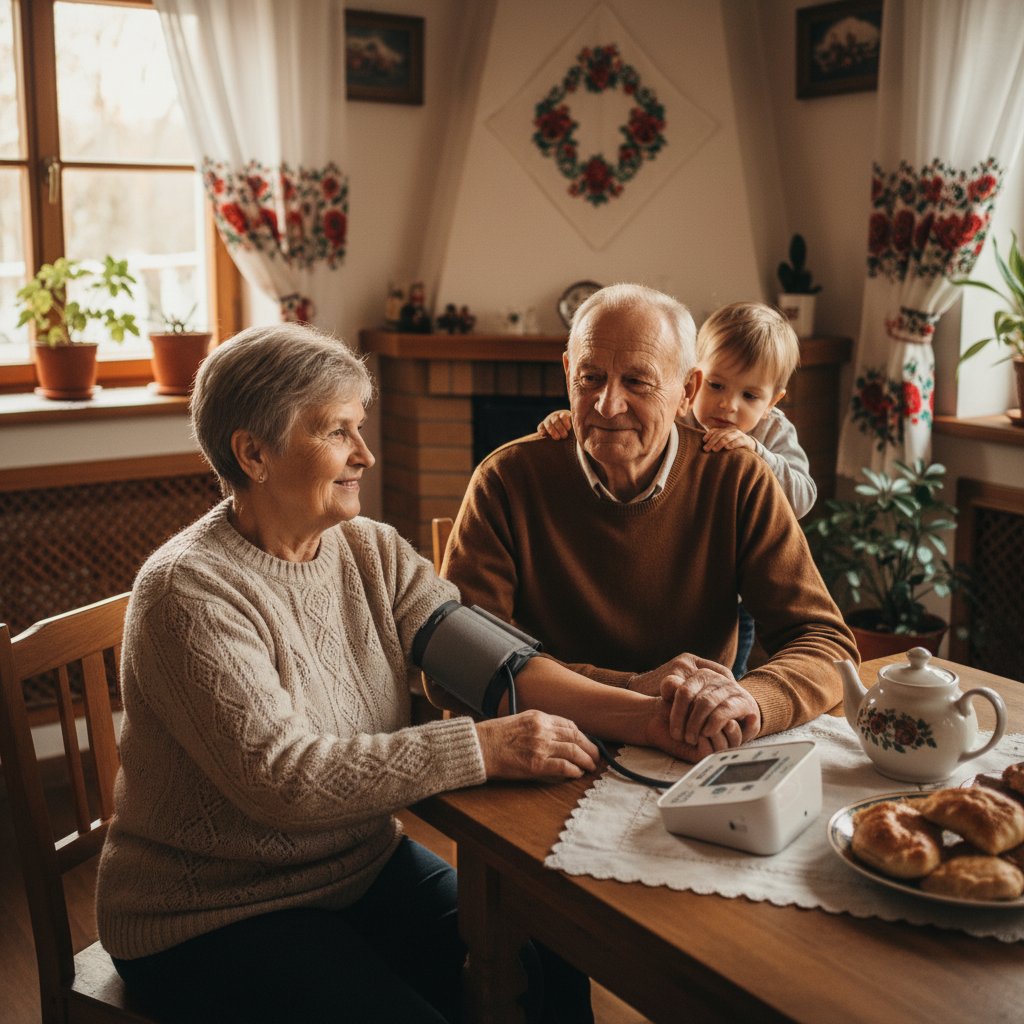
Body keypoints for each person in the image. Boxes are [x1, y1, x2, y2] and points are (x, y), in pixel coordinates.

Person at [95, 322, 728, 1024]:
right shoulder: (189, 590)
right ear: (254, 453)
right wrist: (483, 747)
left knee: (549, 953)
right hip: (209, 915)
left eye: (359, 427)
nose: (364, 453)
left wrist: (643, 709)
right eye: (337, 431)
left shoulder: (368, 550)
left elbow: (495, 664)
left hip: (355, 871)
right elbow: (283, 781)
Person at [443, 283, 857, 751]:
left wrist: (750, 700)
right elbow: (454, 661)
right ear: (567, 374)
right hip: (552, 742)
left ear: (687, 391)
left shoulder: (738, 477)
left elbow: (824, 641)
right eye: (590, 378)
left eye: (637, 382)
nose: (607, 405)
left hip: (693, 742)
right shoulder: (506, 478)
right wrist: (632, 691)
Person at [537, 299, 816, 676]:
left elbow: (802, 496)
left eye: (750, 396)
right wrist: (567, 418)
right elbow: (610, 412)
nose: (728, 406)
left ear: (772, 403)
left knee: (727, 671)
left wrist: (757, 455)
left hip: (731, 595)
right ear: (691, 381)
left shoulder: (771, 433)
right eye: (716, 385)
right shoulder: (673, 412)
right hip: (670, 580)